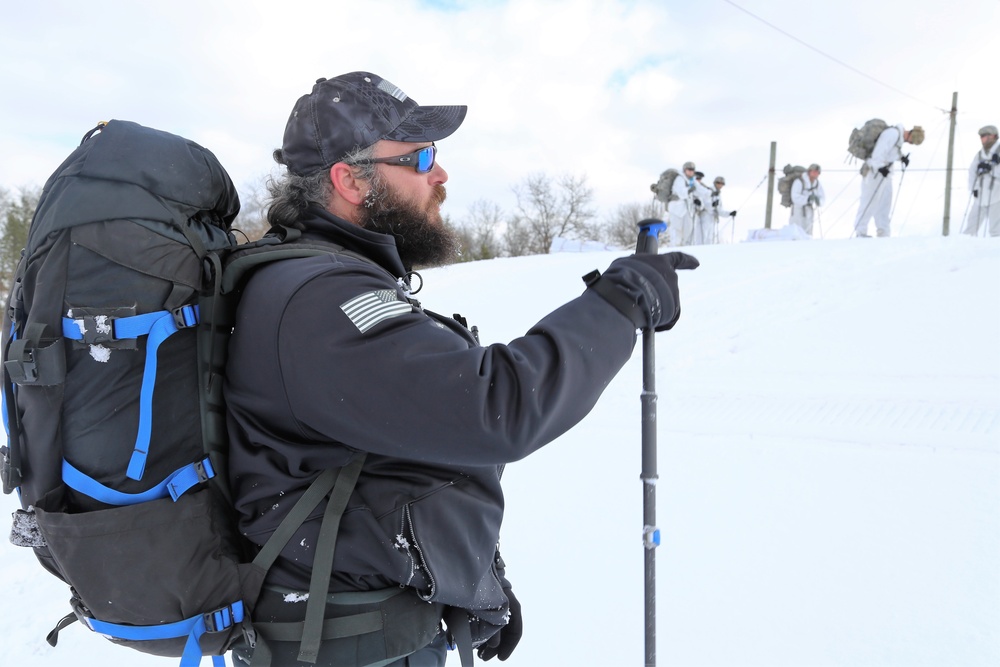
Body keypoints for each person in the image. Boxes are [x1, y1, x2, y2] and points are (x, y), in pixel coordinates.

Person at [224, 71, 698, 667]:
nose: (440, 174)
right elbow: (493, 407)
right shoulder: (320, 301)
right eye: (419, 157)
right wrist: (618, 305)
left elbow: (397, 459)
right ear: (349, 179)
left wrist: (468, 580)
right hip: (341, 640)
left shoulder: (316, 281)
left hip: (361, 624)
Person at [853, 124, 924, 238]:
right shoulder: (892, 134)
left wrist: (902, 158)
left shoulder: (898, 139)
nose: (910, 143)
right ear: (910, 135)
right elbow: (878, 153)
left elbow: (890, 153)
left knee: (884, 204)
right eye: (912, 142)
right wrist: (880, 167)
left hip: (886, 174)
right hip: (874, 173)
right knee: (869, 202)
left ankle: (883, 233)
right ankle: (860, 231)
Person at [962, 124, 1000, 237]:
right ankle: (965, 248)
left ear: (993, 136)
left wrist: (992, 169)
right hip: (981, 195)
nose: (982, 139)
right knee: (971, 227)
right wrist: (973, 189)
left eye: (984, 136)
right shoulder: (979, 154)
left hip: (997, 196)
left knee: (996, 229)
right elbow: (972, 171)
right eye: (981, 136)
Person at [667, 161, 703, 246]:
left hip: (687, 210)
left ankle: (684, 251)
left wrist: (699, 202)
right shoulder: (680, 179)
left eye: (692, 170)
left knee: (688, 232)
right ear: (684, 170)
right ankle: (674, 251)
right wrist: (689, 190)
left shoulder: (692, 181)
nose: (691, 171)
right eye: (689, 169)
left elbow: (700, 192)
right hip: (676, 209)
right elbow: (681, 193)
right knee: (676, 232)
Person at [696, 176, 735, 244]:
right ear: (715, 183)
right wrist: (712, 205)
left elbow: (719, 210)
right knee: (702, 236)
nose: (720, 185)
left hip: (712, 218)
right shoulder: (708, 191)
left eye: (721, 183)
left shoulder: (718, 194)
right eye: (718, 183)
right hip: (705, 216)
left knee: (710, 238)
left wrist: (729, 213)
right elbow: (704, 204)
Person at [789, 164, 825, 236]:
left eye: (817, 172)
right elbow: (794, 197)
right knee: (797, 231)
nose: (815, 174)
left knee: (808, 231)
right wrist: (807, 199)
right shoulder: (799, 181)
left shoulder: (817, 184)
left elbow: (822, 197)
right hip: (798, 210)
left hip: (809, 210)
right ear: (809, 171)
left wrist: (819, 201)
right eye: (814, 171)